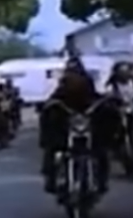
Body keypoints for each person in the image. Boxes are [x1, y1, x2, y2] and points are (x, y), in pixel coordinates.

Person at [39, 64, 119, 198]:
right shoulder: (60, 95)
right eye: (71, 74)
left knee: (100, 149)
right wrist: (48, 107)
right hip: (66, 130)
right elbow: (51, 104)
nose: (74, 78)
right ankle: (51, 178)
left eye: (76, 74)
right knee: (52, 148)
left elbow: (99, 101)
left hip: (87, 127)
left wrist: (107, 104)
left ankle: (101, 179)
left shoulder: (89, 91)